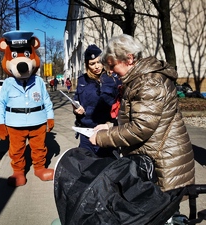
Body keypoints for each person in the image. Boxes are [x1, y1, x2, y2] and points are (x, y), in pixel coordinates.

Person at [89, 34, 195, 191]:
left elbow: (140, 128)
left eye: (112, 65)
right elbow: (138, 117)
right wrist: (110, 126)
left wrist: (102, 138)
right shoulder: (138, 80)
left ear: (129, 59)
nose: (110, 71)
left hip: (164, 164)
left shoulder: (148, 82)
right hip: (156, 157)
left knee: (163, 212)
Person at [73, 44, 122, 157]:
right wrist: (76, 109)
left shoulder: (113, 80)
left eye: (99, 62)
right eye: (92, 64)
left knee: (109, 166)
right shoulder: (82, 80)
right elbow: (76, 100)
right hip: (86, 132)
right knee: (88, 167)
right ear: (87, 65)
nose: (96, 67)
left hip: (107, 131)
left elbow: (121, 105)